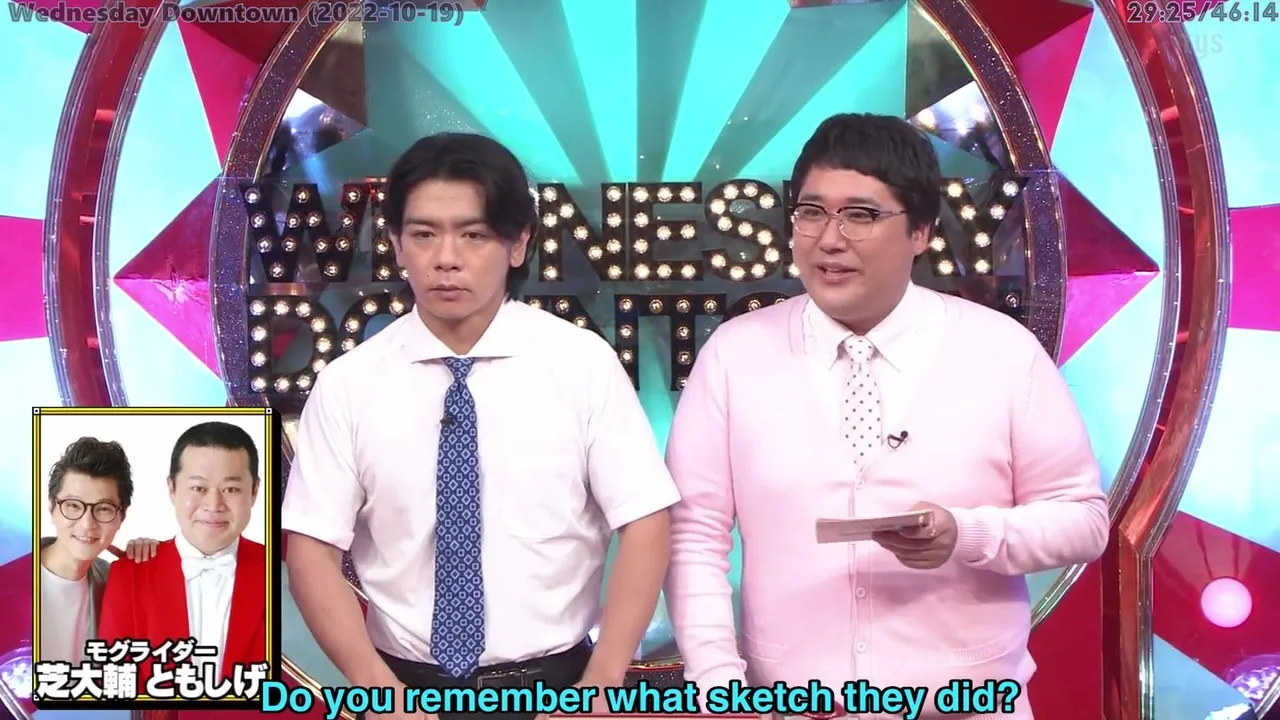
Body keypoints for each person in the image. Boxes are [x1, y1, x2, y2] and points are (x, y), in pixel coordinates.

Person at [664, 114, 1109, 718]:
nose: (830, 238)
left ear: (920, 231)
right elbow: (693, 534)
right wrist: (720, 687)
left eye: (861, 215)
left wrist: (968, 534)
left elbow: (1083, 521)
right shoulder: (734, 356)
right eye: (811, 212)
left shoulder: (1001, 352)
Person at [282, 132, 679, 720]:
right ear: (395, 243)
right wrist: (374, 687)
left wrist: (602, 681)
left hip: (558, 690)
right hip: (401, 690)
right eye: (424, 234)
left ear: (518, 243)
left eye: (473, 234)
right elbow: (311, 549)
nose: (447, 258)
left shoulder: (581, 364)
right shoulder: (349, 384)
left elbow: (645, 522)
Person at [98, 422, 267, 686]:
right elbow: (116, 682)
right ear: (172, 488)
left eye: (231, 489)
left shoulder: (284, 573)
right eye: (199, 488)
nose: (214, 505)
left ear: (254, 491)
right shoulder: (129, 573)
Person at [39, 437, 160, 664]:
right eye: (73, 506)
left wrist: (148, 565)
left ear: (121, 516)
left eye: (103, 509)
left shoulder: (114, 582)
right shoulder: (11, 576)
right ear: (51, 507)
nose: (87, 524)